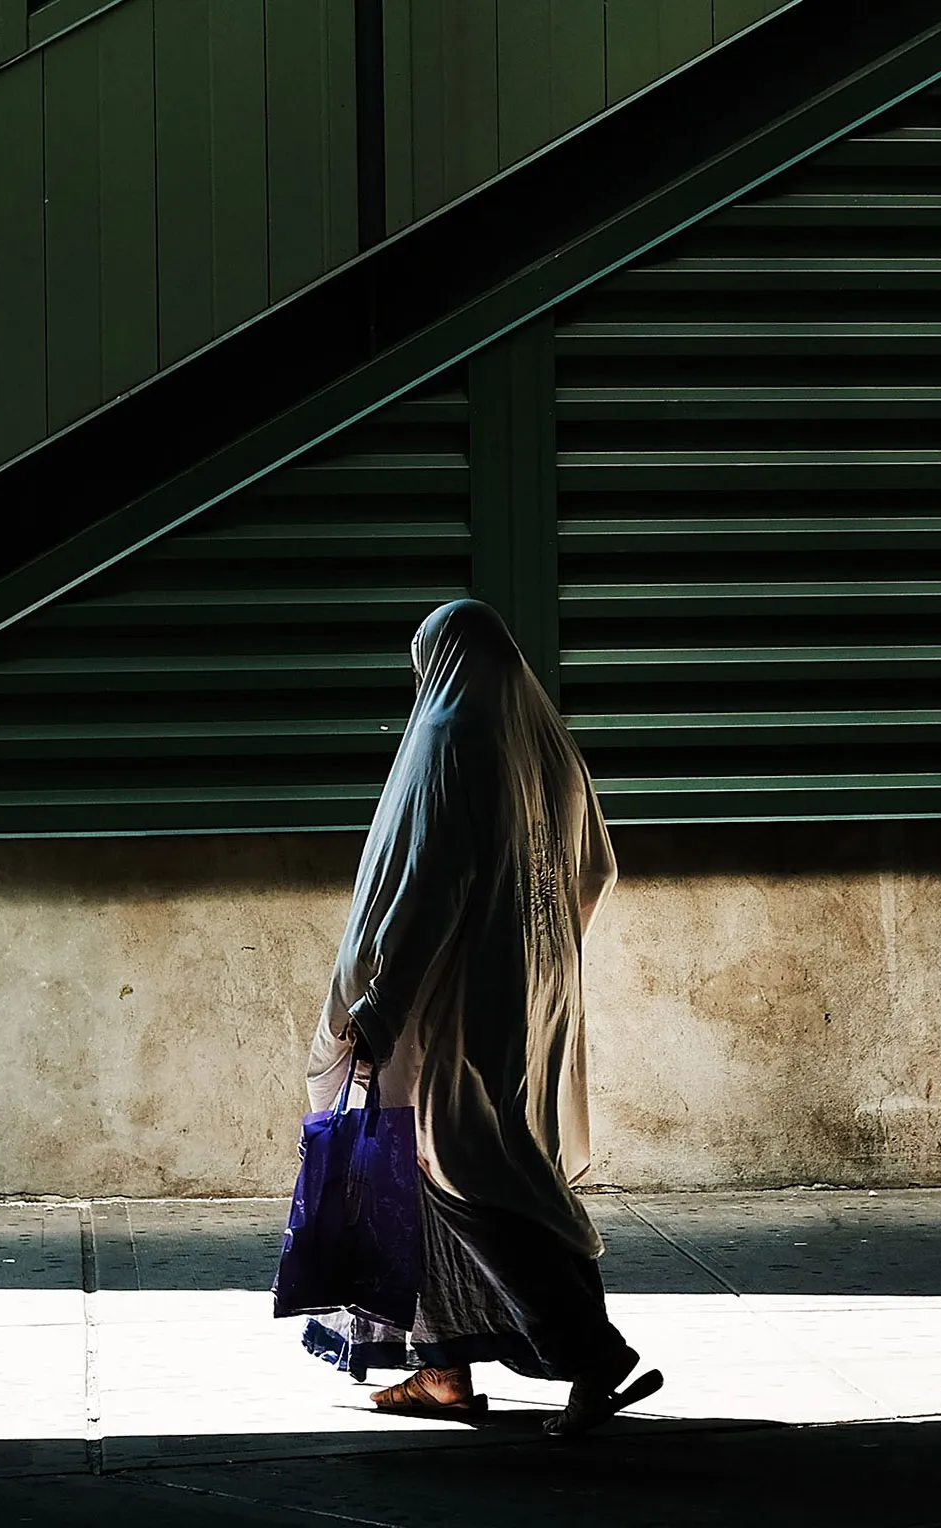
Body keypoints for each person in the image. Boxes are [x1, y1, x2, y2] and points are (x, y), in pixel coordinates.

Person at [297, 599, 661, 1437]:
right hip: (532, 998)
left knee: (467, 1172)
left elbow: (427, 890)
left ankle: (586, 1352)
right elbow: (596, 871)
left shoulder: (450, 741)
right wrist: (537, 949)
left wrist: (382, 1005)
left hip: (450, 1006)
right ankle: (441, 1371)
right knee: (483, 1166)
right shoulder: (548, 752)